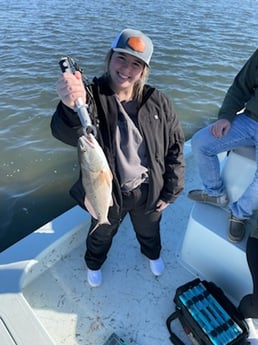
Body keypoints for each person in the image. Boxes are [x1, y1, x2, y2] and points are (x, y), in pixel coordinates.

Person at [51, 28, 185, 287]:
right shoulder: (89, 99)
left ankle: (152, 254)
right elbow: (66, 132)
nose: (126, 68)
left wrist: (171, 191)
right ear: (109, 58)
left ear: (144, 70)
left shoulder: (159, 101)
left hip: (149, 190)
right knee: (101, 232)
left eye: (136, 63)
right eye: (120, 58)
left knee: (149, 229)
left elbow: (176, 148)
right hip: (108, 194)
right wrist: (69, 106)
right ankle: (94, 262)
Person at [187, 49, 258, 319]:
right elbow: (241, 86)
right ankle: (216, 194)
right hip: (249, 120)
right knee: (202, 142)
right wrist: (226, 115)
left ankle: (239, 215)